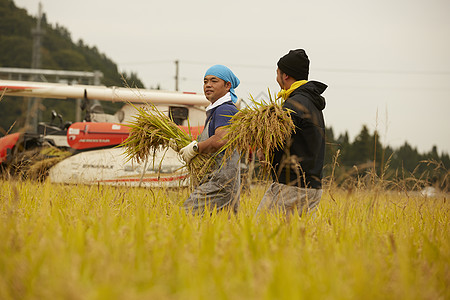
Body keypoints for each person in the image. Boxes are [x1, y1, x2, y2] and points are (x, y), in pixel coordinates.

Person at [256, 49, 327, 217]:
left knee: (259, 232)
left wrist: (264, 149)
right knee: (296, 239)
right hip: (313, 188)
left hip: (291, 186)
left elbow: (279, 138)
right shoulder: (311, 102)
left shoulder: (294, 105)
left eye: (278, 73)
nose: (276, 78)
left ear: (285, 75)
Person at [179, 65, 241, 214]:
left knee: (183, 216)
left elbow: (221, 139)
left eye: (214, 81)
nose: (208, 85)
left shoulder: (225, 109)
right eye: (205, 81)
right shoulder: (215, 111)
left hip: (221, 183)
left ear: (228, 86)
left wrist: (196, 148)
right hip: (218, 181)